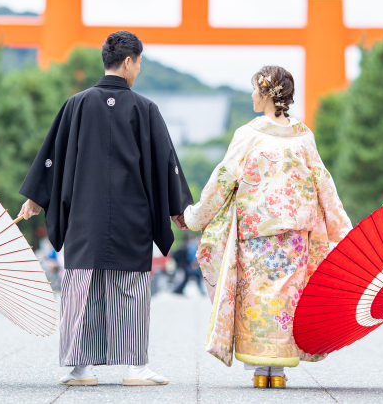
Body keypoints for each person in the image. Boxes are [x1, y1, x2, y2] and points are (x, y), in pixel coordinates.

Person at [19, 30, 192, 387]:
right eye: (139, 63)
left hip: (85, 215)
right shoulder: (145, 109)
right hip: (133, 215)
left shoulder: (76, 105)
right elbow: (166, 163)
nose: (138, 69)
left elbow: (52, 156)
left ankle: (80, 368)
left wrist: (36, 197)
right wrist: (178, 207)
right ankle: (136, 367)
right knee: (131, 289)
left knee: (82, 288)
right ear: (128, 62)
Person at [180, 66, 352, 389]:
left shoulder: (249, 135)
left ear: (266, 93)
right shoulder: (304, 136)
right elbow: (325, 186)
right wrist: (344, 233)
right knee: (287, 298)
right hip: (296, 237)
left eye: (254, 90)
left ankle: (261, 369)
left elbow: (223, 180)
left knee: (258, 298)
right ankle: (280, 371)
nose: (251, 96)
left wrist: (195, 217)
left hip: (257, 233)